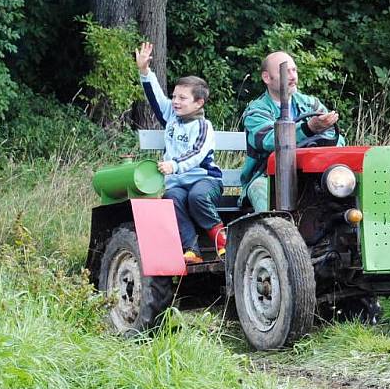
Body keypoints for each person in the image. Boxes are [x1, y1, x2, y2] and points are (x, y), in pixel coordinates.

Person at [135, 42, 226, 263]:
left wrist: (174, 165)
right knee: (172, 199)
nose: (175, 101)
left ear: (199, 103)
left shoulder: (204, 126)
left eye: (182, 98)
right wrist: (145, 71)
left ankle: (220, 241)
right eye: (174, 96)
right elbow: (155, 97)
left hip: (206, 180)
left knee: (197, 197)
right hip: (178, 183)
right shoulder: (171, 117)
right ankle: (191, 249)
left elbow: (197, 153)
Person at [239, 50, 345, 212]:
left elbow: (336, 138)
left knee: (343, 185)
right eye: (285, 71)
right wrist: (309, 129)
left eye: (294, 70)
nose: (292, 76)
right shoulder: (256, 111)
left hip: (311, 174)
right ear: (267, 77)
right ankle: (274, 233)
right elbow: (269, 141)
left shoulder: (311, 104)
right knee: (260, 189)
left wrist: (324, 136)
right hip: (267, 176)